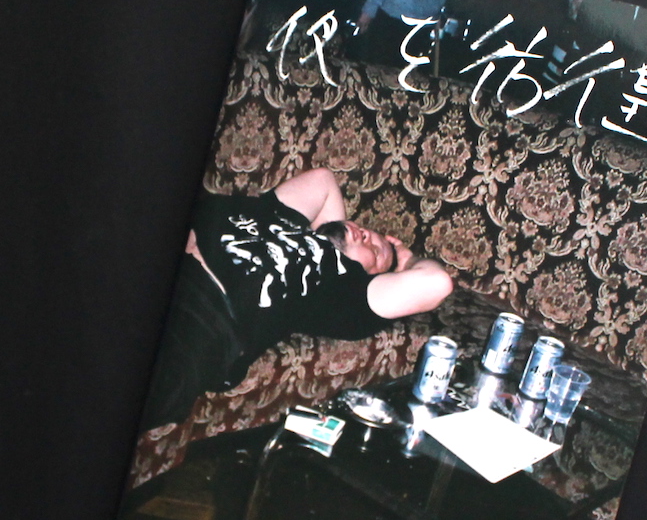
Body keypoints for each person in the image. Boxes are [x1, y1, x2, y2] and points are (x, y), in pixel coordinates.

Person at [140, 168, 453, 431]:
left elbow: (437, 283)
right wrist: (327, 233)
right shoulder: (284, 222)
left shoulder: (341, 291)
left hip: (201, 312)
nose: (367, 235)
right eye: (369, 233)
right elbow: (323, 180)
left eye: (375, 251)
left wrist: (408, 260)